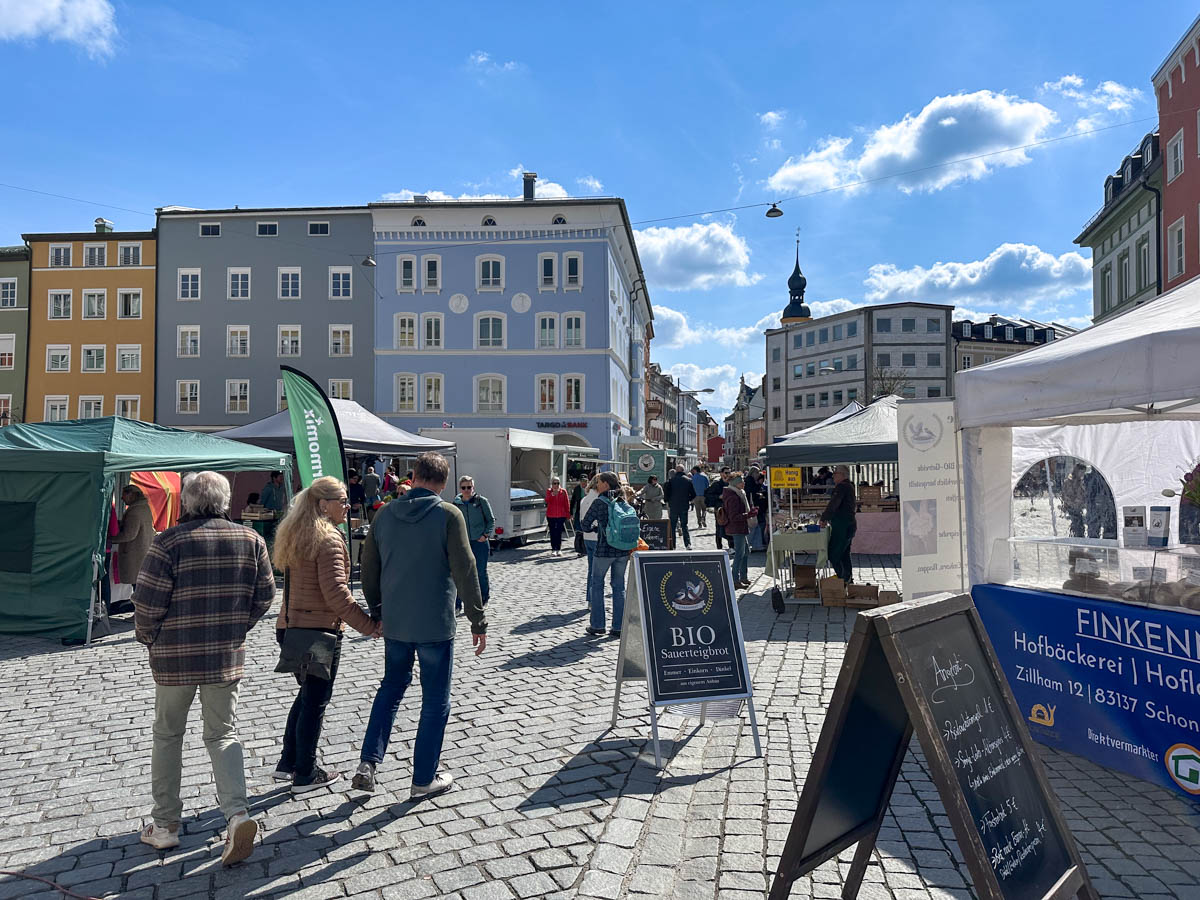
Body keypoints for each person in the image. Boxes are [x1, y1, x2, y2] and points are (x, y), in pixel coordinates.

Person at [133, 472, 276, 866]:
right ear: (225, 502)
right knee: (222, 734)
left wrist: (149, 637)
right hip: (223, 657)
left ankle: (165, 825)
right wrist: (237, 627)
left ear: (187, 502)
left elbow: (146, 604)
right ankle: (237, 814)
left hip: (174, 658)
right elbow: (265, 595)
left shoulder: (168, 543)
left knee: (167, 735)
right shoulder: (250, 540)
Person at [352, 452, 487, 797]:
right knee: (435, 700)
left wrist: (377, 611)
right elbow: (465, 568)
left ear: (413, 476)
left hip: (396, 622)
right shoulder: (448, 514)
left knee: (391, 687)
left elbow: (369, 568)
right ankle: (423, 778)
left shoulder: (385, 514)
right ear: (444, 482)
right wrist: (477, 619)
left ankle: (368, 761)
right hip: (435, 623)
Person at [271, 477, 378, 794]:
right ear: (322, 505)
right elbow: (337, 595)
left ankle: (288, 762)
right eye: (342, 501)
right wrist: (368, 625)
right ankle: (305, 773)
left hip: (291, 626)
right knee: (316, 701)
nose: (348, 506)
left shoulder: (299, 532)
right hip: (317, 632)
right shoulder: (328, 538)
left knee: (307, 696)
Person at [580, 472, 632, 637]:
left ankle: (598, 625)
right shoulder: (623, 500)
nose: (597, 485)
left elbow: (585, 525)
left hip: (604, 550)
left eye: (599, 482)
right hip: (622, 550)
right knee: (619, 587)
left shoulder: (599, 502)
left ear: (606, 484)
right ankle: (618, 627)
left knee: (597, 585)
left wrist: (597, 528)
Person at [109, 484, 155, 611]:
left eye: (124, 495)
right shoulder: (144, 508)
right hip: (142, 551)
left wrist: (111, 539)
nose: (122, 498)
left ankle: (139, 612)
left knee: (137, 586)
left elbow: (129, 534)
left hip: (134, 554)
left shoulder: (134, 512)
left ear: (132, 495)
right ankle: (140, 611)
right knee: (139, 585)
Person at [451, 475, 494, 610]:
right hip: (463, 544)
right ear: (460, 488)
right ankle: (458, 604)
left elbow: (491, 520)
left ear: (473, 487)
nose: (466, 490)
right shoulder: (456, 504)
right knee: (461, 573)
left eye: (469, 487)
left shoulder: (481, 502)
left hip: (479, 543)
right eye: (464, 487)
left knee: (480, 572)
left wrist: (485, 535)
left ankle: (484, 598)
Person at [820, 465, 857, 583]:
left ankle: (843, 579)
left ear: (842, 475)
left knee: (834, 553)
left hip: (843, 525)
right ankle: (848, 579)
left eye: (835, 473)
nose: (833, 476)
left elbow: (834, 503)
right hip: (848, 524)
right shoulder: (849, 486)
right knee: (844, 554)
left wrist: (824, 518)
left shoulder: (842, 487)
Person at [722, 474, 755, 589]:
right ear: (736, 483)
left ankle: (743, 577)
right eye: (741, 481)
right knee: (740, 554)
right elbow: (734, 517)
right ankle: (735, 579)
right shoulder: (733, 497)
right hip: (737, 528)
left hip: (741, 527)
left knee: (746, 552)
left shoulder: (739, 493)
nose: (744, 483)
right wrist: (748, 515)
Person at [578, 476, 601, 609]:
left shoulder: (584, 500)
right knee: (598, 571)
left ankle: (590, 599)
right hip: (597, 537)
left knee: (591, 569)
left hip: (587, 537)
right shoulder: (599, 500)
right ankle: (594, 600)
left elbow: (582, 519)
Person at [666, 466, 696, 550]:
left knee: (672, 525)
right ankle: (687, 544)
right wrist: (688, 499)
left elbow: (667, 493)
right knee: (684, 525)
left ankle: (672, 545)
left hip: (673, 505)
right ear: (683, 470)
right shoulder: (688, 480)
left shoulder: (671, 480)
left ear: (676, 471)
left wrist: (669, 501)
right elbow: (693, 494)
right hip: (684, 505)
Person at [706, 466, 732, 549]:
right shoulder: (716, 484)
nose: (728, 475)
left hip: (730, 509)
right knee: (719, 527)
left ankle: (731, 546)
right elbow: (708, 495)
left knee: (730, 527)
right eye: (726, 473)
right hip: (719, 509)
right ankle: (719, 547)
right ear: (721, 474)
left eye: (729, 473)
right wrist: (718, 496)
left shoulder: (732, 483)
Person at [545, 476, 571, 556]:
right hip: (551, 515)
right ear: (552, 484)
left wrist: (568, 514)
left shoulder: (563, 491)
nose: (556, 485)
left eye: (557, 483)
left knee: (559, 532)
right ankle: (553, 549)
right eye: (554, 483)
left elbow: (567, 503)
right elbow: (547, 500)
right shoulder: (549, 491)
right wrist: (552, 494)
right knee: (552, 532)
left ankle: (559, 549)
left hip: (561, 515)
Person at [1061, 463, 1087, 538]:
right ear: (1076, 471)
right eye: (1081, 472)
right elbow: (1065, 496)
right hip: (1071, 509)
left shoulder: (1082, 482)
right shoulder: (1068, 482)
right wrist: (1073, 504)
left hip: (1079, 508)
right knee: (1077, 528)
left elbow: (1083, 495)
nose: (1082, 474)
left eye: (1083, 472)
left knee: (1081, 528)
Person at [260, 471, 287, 543]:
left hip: (279, 515)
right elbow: (262, 502)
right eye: (280, 477)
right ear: (274, 478)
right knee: (269, 536)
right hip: (269, 517)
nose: (282, 478)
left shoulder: (282, 488)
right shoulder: (268, 488)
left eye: (282, 476)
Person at [570, 474, 589, 556]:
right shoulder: (577, 489)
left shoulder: (590, 489)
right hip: (579, 511)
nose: (583, 483)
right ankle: (579, 549)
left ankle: (585, 549)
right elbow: (573, 500)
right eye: (582, 481)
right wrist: (571, 512)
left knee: (585, 531)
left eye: (585, 481)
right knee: (579, 530)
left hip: (588, 512)